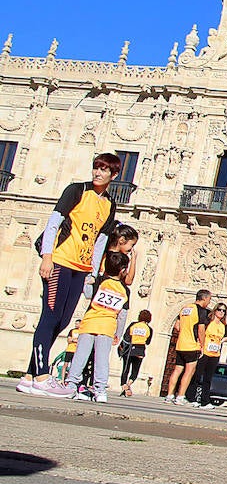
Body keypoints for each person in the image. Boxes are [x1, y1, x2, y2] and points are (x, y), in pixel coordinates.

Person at [19, 152, 121, 396]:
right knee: (51, 315)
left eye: (104, 170)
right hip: (61, 261)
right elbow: (54, 222)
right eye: (96, 167)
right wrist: (47, 257)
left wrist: (92, 273)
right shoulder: (76, 190)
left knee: (64, 320)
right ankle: (42, 376)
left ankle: (29, 376)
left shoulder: (109, 204)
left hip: (81, 267)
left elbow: (101, 240)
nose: (98, 173)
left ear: (114, 175)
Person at [43, 251, 130, 403]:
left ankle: (71, 385)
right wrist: (119, 333)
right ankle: (100, 390)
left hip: (89, 323)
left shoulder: (99, 281)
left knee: (80, 356)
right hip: (107, 327)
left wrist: (88, 280)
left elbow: (88, 293)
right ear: (123, 270)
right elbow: (122, 314)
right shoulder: (125, 290)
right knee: (102, 360)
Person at [167, 290, 212, 405]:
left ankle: (169, 395)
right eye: (209, 299)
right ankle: (180, 396)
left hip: (180, 344)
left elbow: (177, 325)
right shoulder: (200, 311)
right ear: (204, 299)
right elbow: (201, 329)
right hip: (191, 345)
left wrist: (184, 333)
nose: (209, 302)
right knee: (189, 371)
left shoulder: (185, 308)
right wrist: (202, 344)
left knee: (177, 370)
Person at [191, 304, 227, 409]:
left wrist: (221, 341)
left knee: (208, 378)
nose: (221, 312)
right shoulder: (208, 321)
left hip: (215, 353)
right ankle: (192, 397)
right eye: (220, 310)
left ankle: (205, 401)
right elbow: (199, 331)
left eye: (224, 311)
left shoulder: (223, 326)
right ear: (215, 310)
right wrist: (200, 345)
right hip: (204, 351)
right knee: (197, 375)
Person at [118, 309, 153, 397]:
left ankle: (124, 385)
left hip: (129, 349)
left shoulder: (133, 325)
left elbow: (126, 336)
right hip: (140, 350)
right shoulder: (149, 329)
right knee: (135, 371)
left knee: (125, 369)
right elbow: (148, 342)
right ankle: (129, 384)